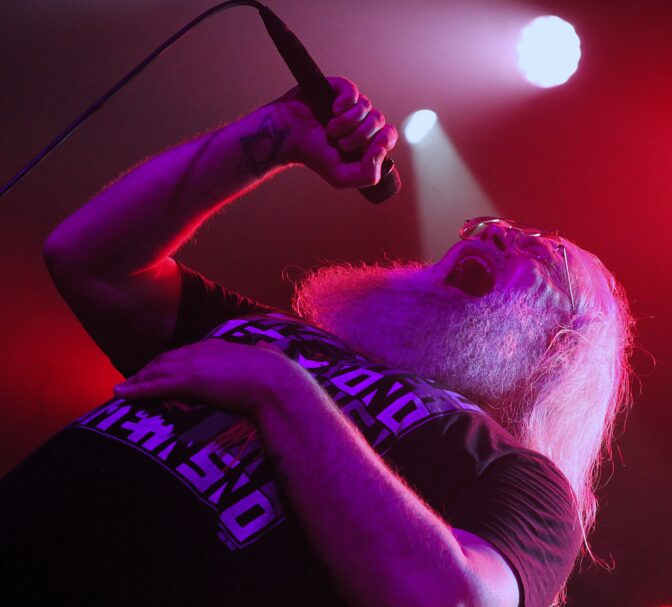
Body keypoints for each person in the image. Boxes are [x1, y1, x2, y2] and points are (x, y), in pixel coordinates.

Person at [0, 77, 633, 607]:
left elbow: (453, 600)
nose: (493, 235)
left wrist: (279, 391)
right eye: (490, 226)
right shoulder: (272, 334)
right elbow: (91, 260)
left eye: (540, 254)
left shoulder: (522, 478)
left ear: (562, 348)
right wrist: (272, 135)